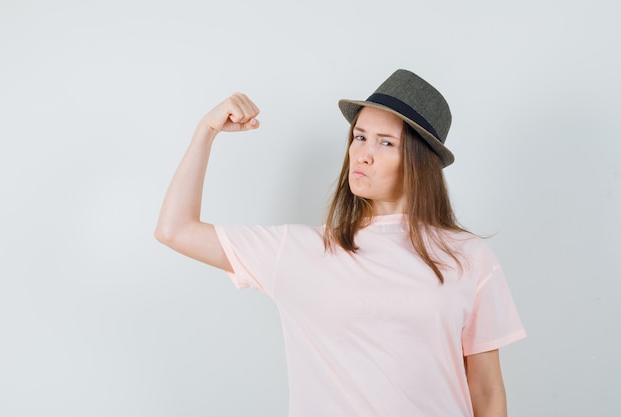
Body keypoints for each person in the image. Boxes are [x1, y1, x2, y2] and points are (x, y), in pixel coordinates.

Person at [155, 69, 526, 417]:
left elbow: (487, 390)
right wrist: (205, 131)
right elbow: (175, 229)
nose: (363, 153)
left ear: (419, 162)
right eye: (360, 136)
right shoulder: (300, 250)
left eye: (385, 142)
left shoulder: (467, 256)